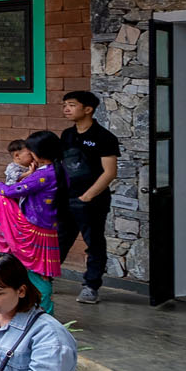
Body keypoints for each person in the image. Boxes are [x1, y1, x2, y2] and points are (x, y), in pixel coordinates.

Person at [0, 130, 67, 316]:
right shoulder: (57, 171)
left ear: (38, 153)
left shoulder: (44, 174)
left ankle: (42, 313)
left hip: (32, 231)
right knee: (38, 273)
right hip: (45, 230)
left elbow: (12, 191)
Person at [58, 90, 120, 305]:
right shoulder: (66, 135)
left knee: (94, 243)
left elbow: (110, 172)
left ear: (88, 109)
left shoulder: (104, 137)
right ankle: (44, 279)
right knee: (59, 239)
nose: (66, 109)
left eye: (72, 105)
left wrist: (88, 196)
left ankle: (91, 286)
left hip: (92, 202)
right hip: (66, 198)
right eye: (65, 104)